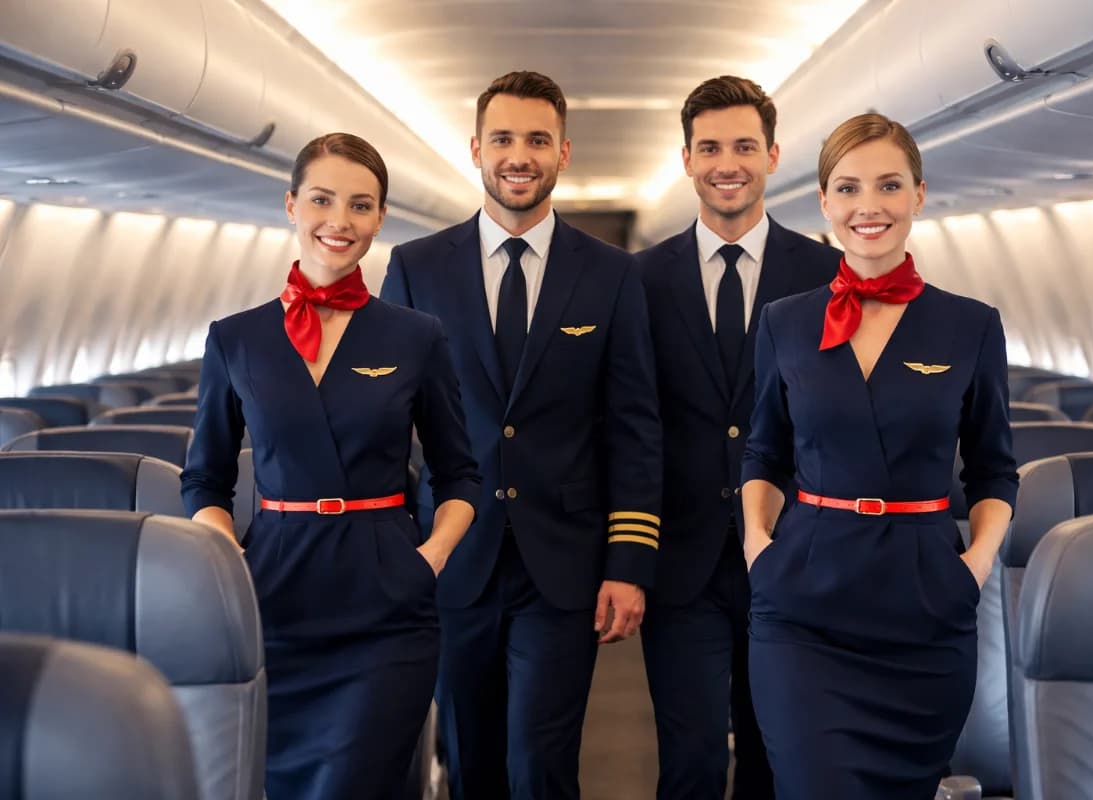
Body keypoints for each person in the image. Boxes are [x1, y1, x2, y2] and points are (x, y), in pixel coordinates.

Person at [380, 71, 662, 800]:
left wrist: (628, 560)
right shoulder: (416, 268)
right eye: (503, 138)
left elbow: (635, 424)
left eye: (538, 139)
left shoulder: (610, 274)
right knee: (470, 760)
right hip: (453, 554)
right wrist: (395, 557)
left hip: (562, 559)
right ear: (476, 148)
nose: (519, 155)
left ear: (564, 151)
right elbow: (387, 425)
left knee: (541, 763)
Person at [181, 132, 480, 800]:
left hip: (385, 601)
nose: (339, 221)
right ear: (291, 205)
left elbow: (460, 473)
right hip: (277, 595)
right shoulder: (237, 338)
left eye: (360, 205)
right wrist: (231, 560)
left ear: (378, 219)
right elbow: (204, 476)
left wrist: (426, 559)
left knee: (351, 783)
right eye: (321, 200)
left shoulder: (415, 336)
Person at [740, 113, 1018, 799]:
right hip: (804, 597)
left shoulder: (970, 325)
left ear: (919, 195)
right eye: (849, 188)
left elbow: (993, 468)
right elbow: (764, 452)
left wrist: (974, 566)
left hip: (923, 598)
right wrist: (757, 546)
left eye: (889, 185)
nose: (870, 206)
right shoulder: (785, 321)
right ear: (825, 203)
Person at [633, 75, 839, 800]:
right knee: (687, 761)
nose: (729, 162)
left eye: (745, 146)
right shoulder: (640, 280)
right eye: (711, 147)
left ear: (774, 154)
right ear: (686, 159)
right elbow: (630, 422)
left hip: (790, 551)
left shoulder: (826, 273)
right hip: (681, 557)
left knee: (773, 757)